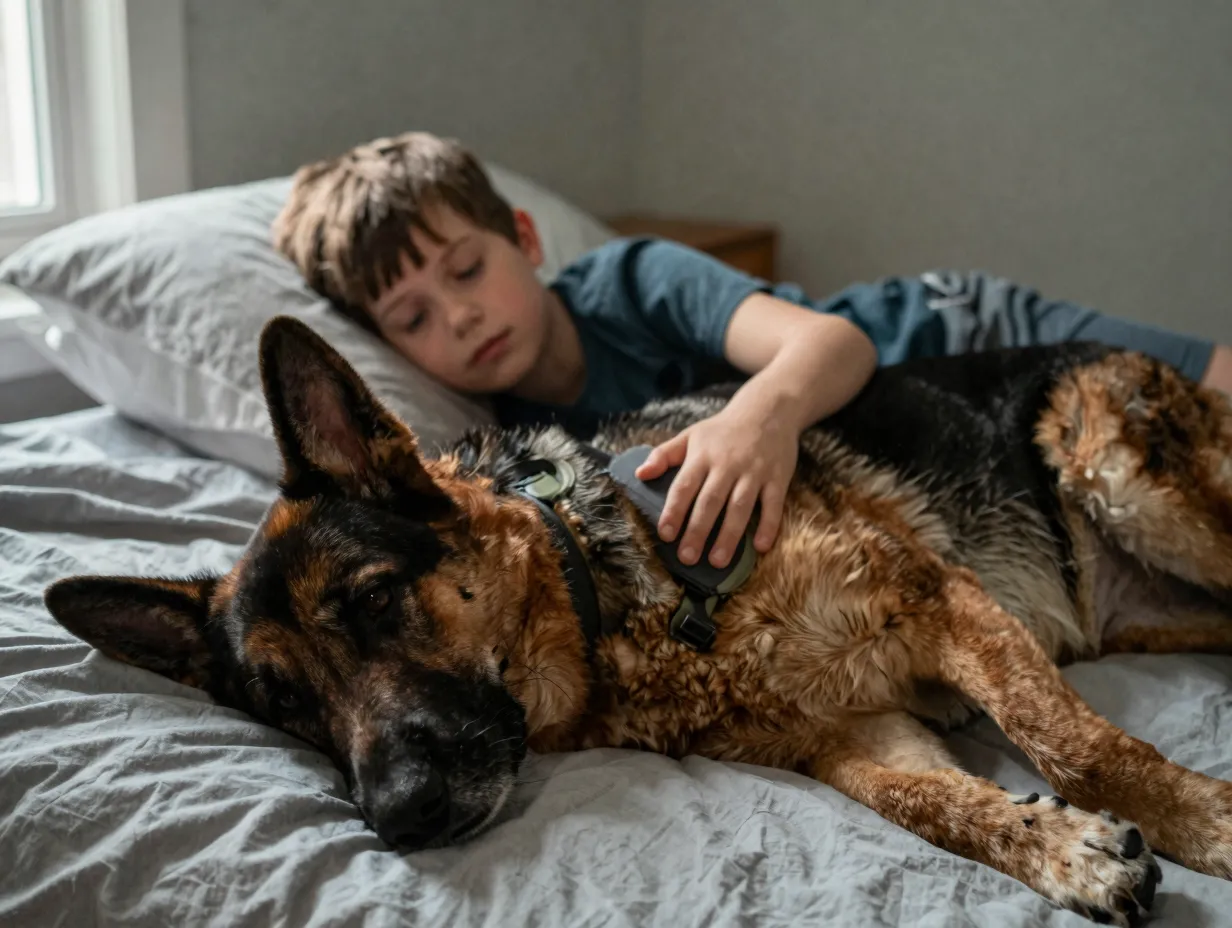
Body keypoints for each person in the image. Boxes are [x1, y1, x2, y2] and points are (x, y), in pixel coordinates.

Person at [273, 131, 1232, 573]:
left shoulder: (630, 281)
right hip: (929, 452)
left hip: (952, 337)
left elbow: (833, 343)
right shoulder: (515, 442)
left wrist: (755, 418)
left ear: (524, 238)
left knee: (1213, 399)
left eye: (467, 269)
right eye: (413, 318)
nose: (461, 317)